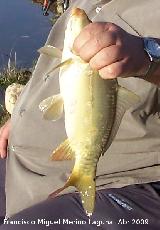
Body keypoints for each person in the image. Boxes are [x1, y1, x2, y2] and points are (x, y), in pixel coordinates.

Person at [0, 0, 160, 229]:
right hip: (23, 156)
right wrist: (23, 109)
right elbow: (65, 68)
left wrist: (149, 57)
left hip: (118, 180)